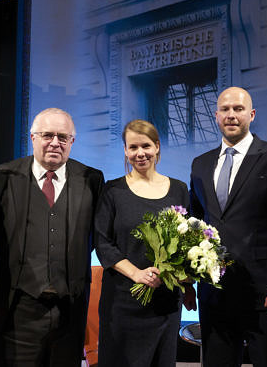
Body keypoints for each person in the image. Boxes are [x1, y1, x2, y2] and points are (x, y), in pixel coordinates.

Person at [189, 86, 267, 367]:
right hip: (215, 295)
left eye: (239, 109)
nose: (232, 115)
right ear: (216, 116)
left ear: (251, 115)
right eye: (226, 110)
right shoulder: (200, 164)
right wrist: (188, 279)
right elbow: (195, 225)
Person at [0, 108, 104, 366]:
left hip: (70, 310)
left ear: (72, 142)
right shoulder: (1, 177)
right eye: (47, 135)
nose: (55, 143)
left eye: (62, 137)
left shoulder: (91, 179)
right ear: (32, 137)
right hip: (17, 309)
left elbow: (96, 236)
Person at [94, 119, 194, 367]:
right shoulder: (112, 190)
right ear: (125, 151)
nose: (140, 154)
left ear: (157, 147)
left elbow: (189, 242)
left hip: (166, 303)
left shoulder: (179, 190)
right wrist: (137, 274)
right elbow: (102, 242)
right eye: (133, 147)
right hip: (122, 303)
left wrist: (188, 281)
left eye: (146, 146)